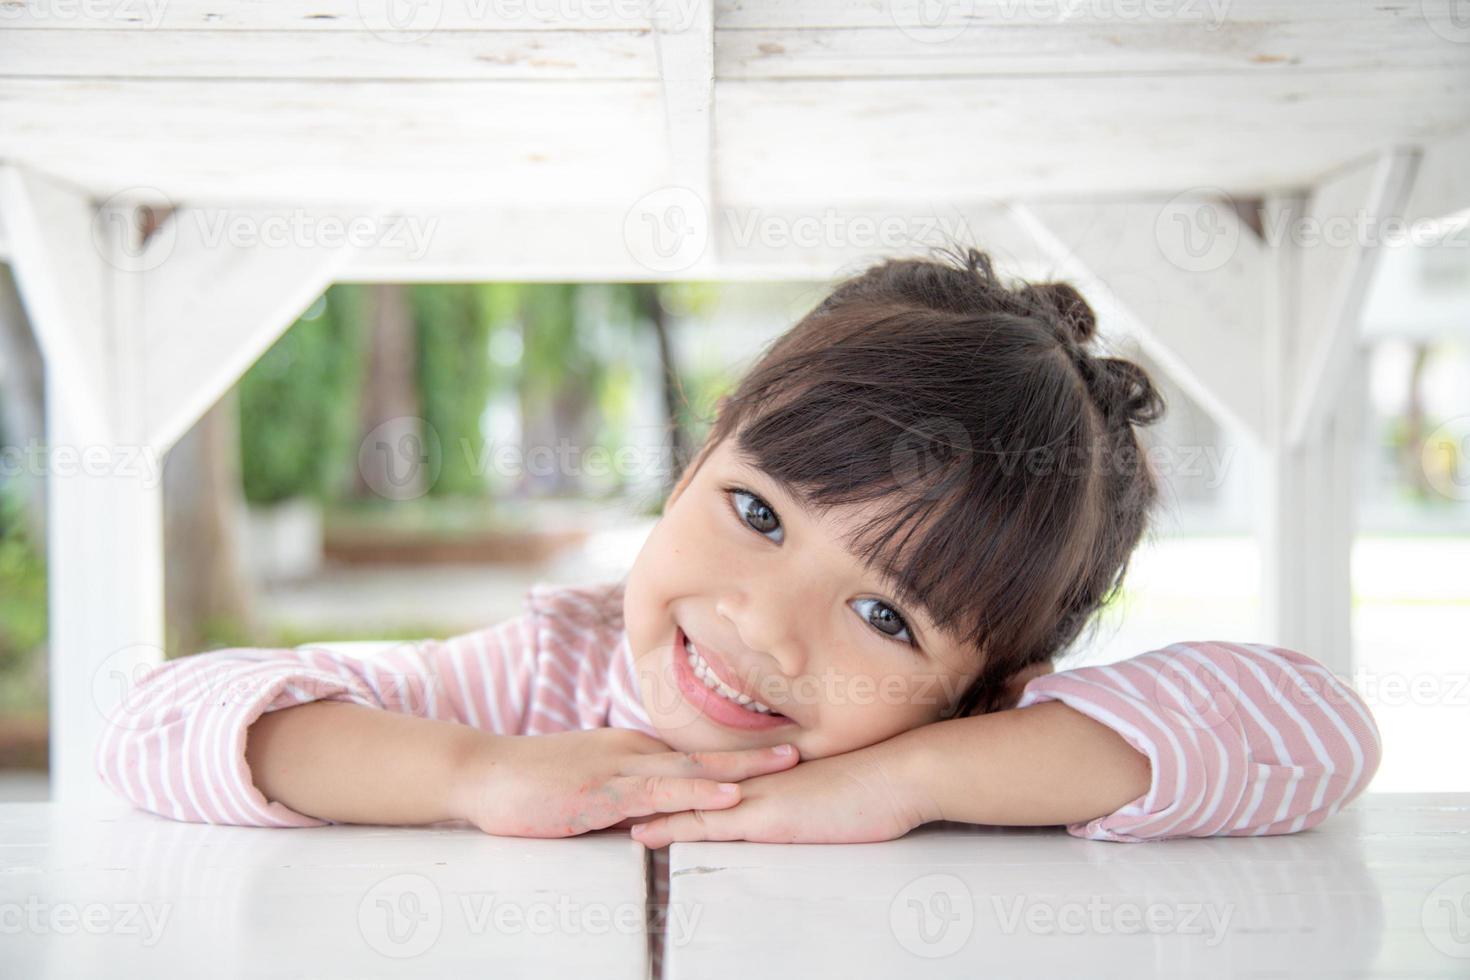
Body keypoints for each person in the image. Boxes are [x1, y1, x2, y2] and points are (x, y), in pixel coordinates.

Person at [96, 248, 1380, 851]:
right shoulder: (543, 683)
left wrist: (913, 780)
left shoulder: (1000, 751)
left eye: (888, 619)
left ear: (979, 688)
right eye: (758, 511)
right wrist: (473, 770)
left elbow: (1321, 732)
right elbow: (155, 724)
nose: (767, 626)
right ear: (696, 455)